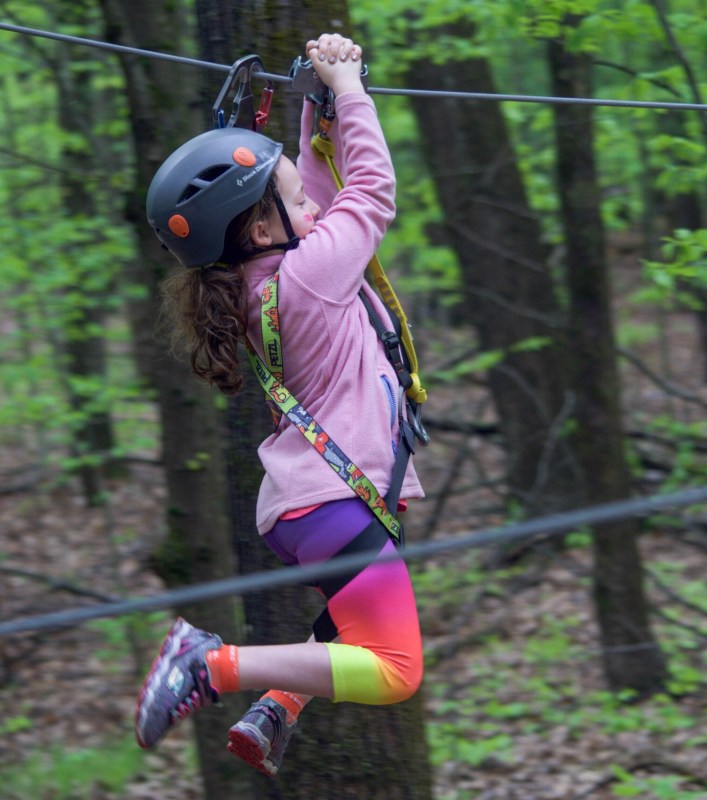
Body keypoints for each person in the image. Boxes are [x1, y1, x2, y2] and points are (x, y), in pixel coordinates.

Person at [134, 33, 425, 776]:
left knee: (356, 624)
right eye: (293, 201)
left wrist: (316, 111)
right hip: (335, 501)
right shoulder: (310, 277)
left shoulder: (271, 284)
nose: (312, 209)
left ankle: (279, 701)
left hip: (306, 511)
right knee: (394, 667)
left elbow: (322, 201)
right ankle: (212, 664)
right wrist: (352, 89)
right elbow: (368, 194)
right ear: (263, 228)